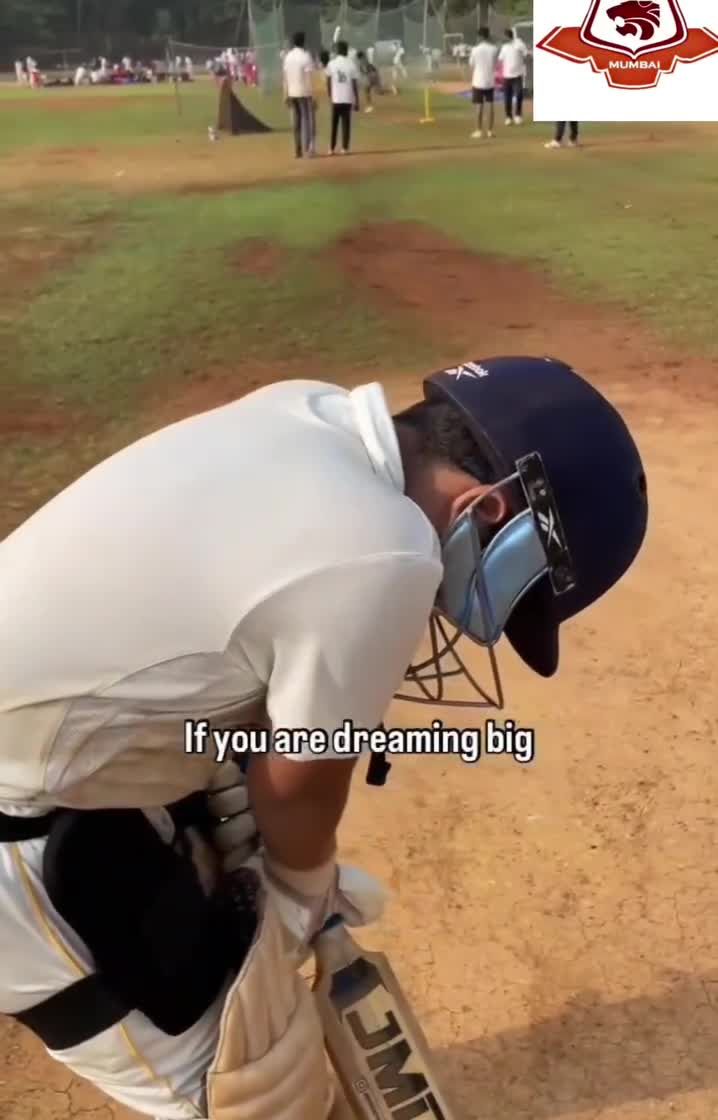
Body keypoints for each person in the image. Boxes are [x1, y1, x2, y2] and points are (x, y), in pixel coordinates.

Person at [0, 358, 647, 1120]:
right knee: (253, 1090)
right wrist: (301, 894)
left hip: (56, 761)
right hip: (21, 828)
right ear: (492, 508)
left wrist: (256, 828)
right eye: (527, 588)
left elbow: (209, 659)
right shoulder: (388, 551)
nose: (469, 613)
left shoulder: (304, 415)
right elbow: (300, 786)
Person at [282, 30, 314, 159]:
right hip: (304, 92)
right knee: (306, 120)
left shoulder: (288, 56)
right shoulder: (306, 56)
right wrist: (312, 95)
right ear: (303, 42)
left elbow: (285, 77)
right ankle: (307, 147)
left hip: (292, 92)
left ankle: (298, 149)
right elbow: (308, 78)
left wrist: (285, 94)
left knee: (296, 121)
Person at [326, 40, 360, 154]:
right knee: (346, 124)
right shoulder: (351, 64)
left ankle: (331, 148)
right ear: (346, 51)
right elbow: (354, 84)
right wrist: (357, 100)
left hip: (336, 98)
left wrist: (330, 95)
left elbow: (328, 80)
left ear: (337, 51)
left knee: (334, 124)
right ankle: (345, 148)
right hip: (347, 97)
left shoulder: (332, 63)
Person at [469, 27, 499, 139]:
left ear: (480, 36)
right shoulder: (494, 49)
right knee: (490, 105)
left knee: (479, 105)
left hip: (478, 80)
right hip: (489, 80)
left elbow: (472, 64)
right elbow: (495, 63)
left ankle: (478, 130)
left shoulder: (475, 49)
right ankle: (490, 131)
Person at [499, 28, 527, 125]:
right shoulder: (504, 47)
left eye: (504, 37)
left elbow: (526, 54)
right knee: (507, 97)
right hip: (507, 76)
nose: (503, 38)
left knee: (519, 94)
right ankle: (508, 117)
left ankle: (518, 115)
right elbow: (501, 59)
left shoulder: (519, 44)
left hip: (517, 75)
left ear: (508, 36)